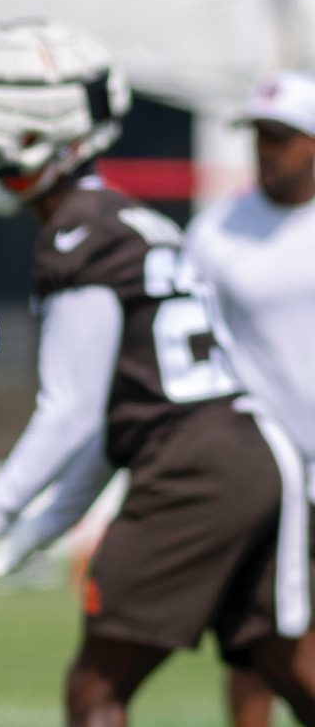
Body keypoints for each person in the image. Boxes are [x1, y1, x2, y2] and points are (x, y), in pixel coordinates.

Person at [0, 17, 315, 724]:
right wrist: (41, 527)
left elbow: (71, 411)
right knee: (284, 663)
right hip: (254, 454)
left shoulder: (76, 235)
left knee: (95, 690)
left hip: (194, 471)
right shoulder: (129, 217)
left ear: (31, 138)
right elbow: (104, 427)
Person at [186, 70, 315, 727]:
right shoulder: (216, 229)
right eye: (259, 136)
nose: (267, 151)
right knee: (254, 638)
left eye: (281, 137)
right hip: (265, 467)